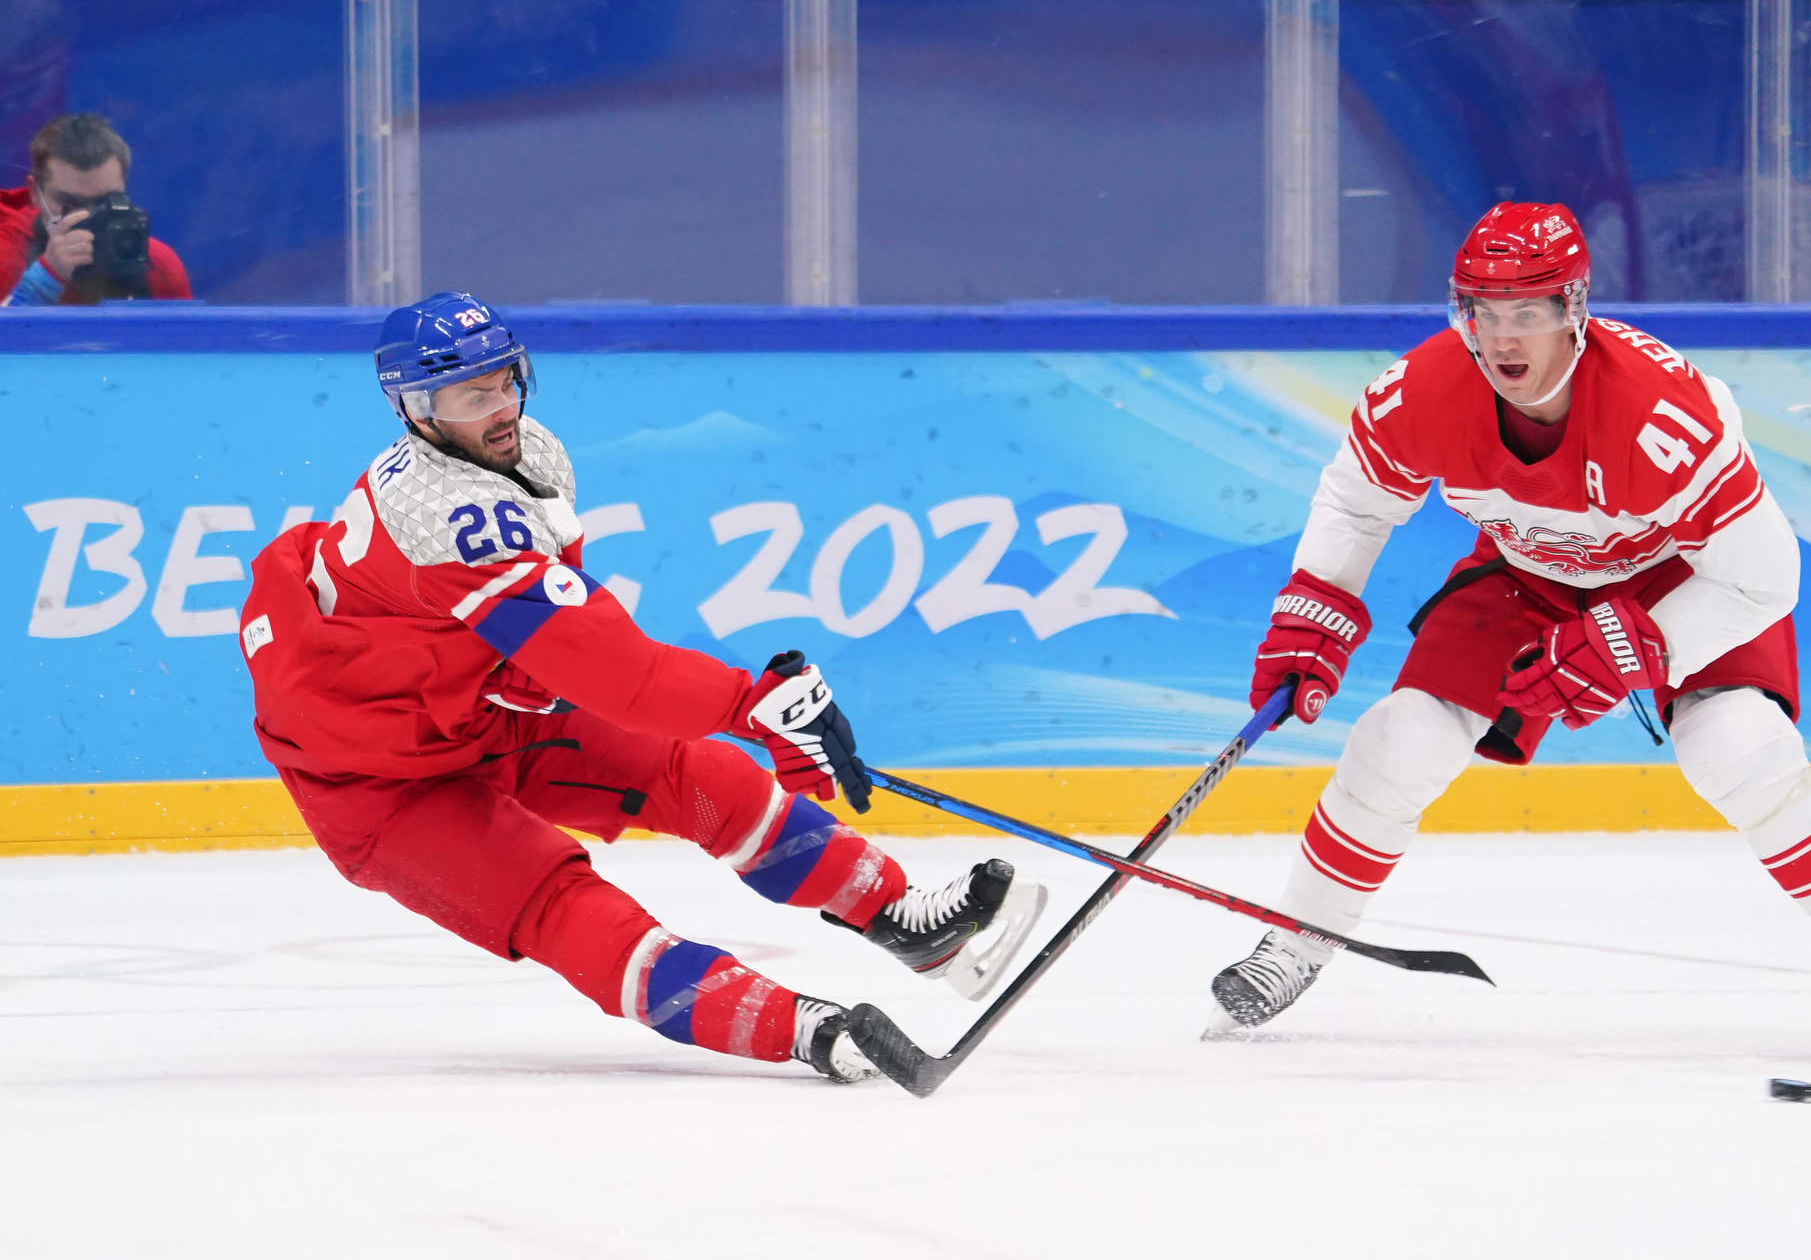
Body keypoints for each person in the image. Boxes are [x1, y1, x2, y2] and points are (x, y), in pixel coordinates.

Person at [1207, 202, 1811, 1067]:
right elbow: (1357, 500)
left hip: (1684, 580)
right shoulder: (1422, 391)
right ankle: (1298, 941)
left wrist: (1633, 640)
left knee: (1740, 747)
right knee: (1397, 740)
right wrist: (1318, 603)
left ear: (1574, 310)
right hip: (1529, 575)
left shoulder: (1660, 411)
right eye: (1481, 313)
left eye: (1525, 312)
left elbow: (1764, 577)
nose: (1500, 338)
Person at [238, 292, 1046, 1083]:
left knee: (697, 772)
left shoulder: (526, 455)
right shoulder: (445, 515)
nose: (501, 406)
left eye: (507, 378)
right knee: (563, 900)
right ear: (414, 410)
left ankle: (905, 920)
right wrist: (751, 702)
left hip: (474, 715)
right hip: (375, 782)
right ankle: (800, 1030)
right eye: (471, 394)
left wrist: (733, 717)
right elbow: (615, 673)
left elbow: (561, 643)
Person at [1, 112, 192, 305]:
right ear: (35, 193)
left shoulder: (159, 266)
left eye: (105, 200)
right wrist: (43, 280)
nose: (88, 215)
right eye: (69, 203)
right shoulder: (6, 258)